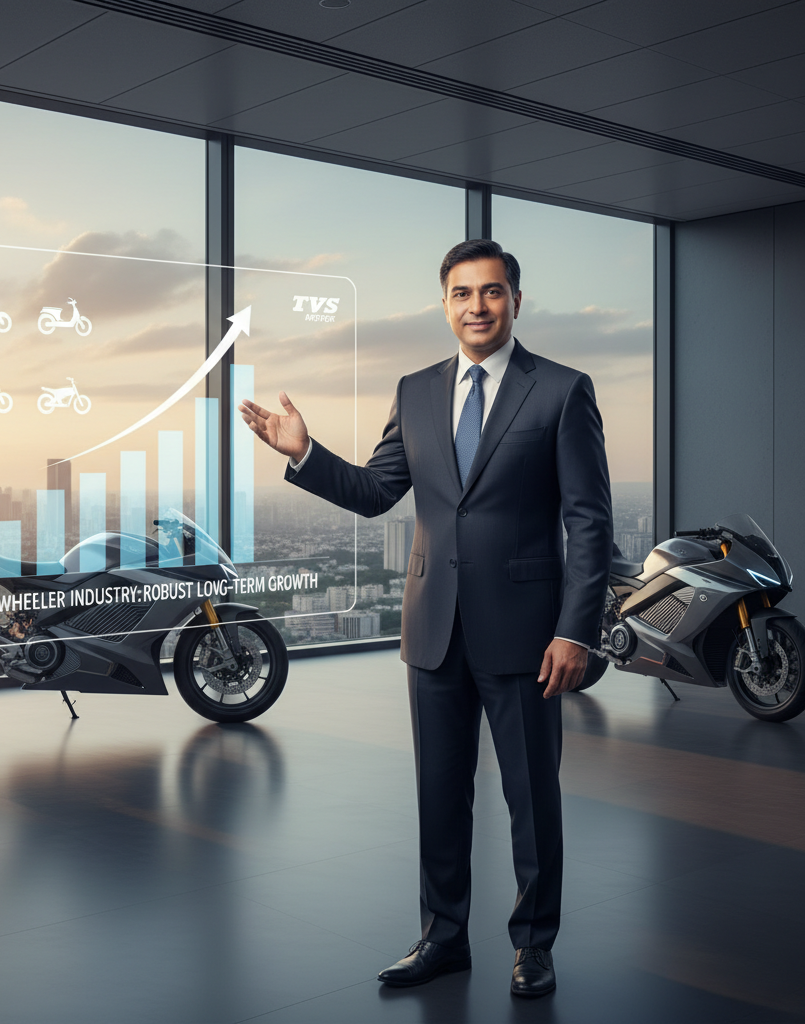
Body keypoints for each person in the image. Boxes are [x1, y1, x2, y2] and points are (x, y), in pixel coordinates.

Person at [239, 239, 612, 997]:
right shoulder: (414, 391)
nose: (478, 306)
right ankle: (443, 937)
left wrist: (575, 629)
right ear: (444, 305)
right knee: (439, 795)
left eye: (493, 291)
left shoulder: (562, 390)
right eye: (463, 293)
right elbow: (378, 491)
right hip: (433, 626)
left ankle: (533, 945)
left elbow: (590, 521)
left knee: (531, 799)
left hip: (529, 633)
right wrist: (305, 453)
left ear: (515, 300)